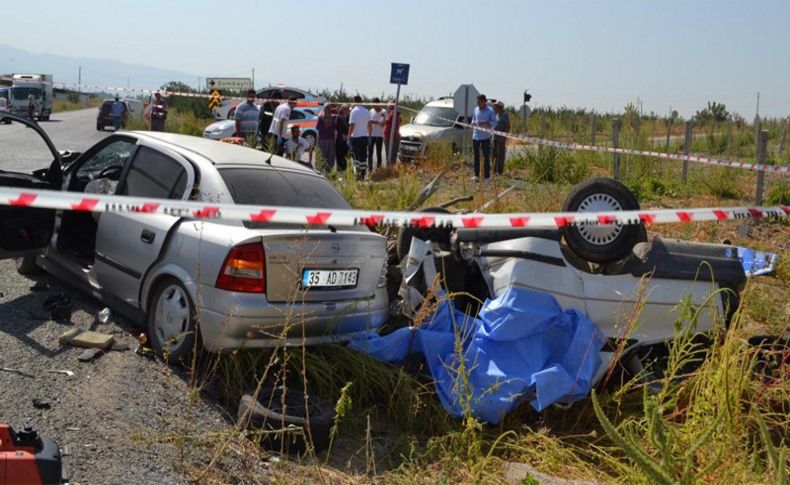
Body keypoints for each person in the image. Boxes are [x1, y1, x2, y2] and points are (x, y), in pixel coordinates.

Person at [470, 94, 496, 181]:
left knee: (486, 157)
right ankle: (476, 175)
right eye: (477, 102)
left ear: (484, 101)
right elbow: (473, 120)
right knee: (476, 156)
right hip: (476, 136)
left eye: (479, 101)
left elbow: (494, 123)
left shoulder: (490, 111)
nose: (478, 103)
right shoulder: (476, 109)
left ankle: (487, 176)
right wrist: (473, 123)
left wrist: (486, 122)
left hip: (485, 137)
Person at [348, 95, 370, 179]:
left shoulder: (354, 111)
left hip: (356, 137)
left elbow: (352, 126)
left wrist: (349, 137)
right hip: (364, 137)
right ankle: (363, 174)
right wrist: (369, 135)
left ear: (354, 101)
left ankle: (357, 175)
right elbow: (370, 124)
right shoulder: (366, 111)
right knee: (363, 157)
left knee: (356, 158)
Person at [316, 103, 337, 171]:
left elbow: (334, 127)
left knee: (330, 157)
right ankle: (320, 170)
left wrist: (330, 122)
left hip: (330, 139)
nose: (328, 110)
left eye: (329, 108)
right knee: (322, 156)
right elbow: (318, 127)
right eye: (327, 108)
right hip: (322, 139)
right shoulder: (321, 117)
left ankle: (329, 172)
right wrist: (326, 123)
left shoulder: (333, 117)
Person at [492, 100, 510, 176]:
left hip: (501, 138)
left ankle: (500, 171)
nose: (495, 107)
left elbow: (508, 126)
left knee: (501, 155)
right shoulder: (496, 115)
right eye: (494, 106)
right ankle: (494, 170)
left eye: (496, 106)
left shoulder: (505, 115)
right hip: (494, 138)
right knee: (494, 154)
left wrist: (504, 135)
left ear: (500, 107)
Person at [367, 98, 385, 170]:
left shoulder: (384, 112)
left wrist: (375, 122)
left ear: (378, 104)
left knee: (378, 152)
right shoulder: (370, 111)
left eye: (374, 104)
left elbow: (383, 124)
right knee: (370, 153)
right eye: (372, 104)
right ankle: (370, 168)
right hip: (371, 135)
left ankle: (379, 168)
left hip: (379, 135)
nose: (373, 105)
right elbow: (369, 122)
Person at [335, 105, 350, 172]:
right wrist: (341, 136)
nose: (347, 110)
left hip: (347, 140)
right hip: (339, 140)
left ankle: (345, 171)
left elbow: (351, 127)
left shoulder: (350, 118)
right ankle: (339, 171)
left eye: (347, 109)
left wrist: (347, 136)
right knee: (339, 156)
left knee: (346, 157)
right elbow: (336, 128)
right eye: (345, 109)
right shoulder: (338, 118)